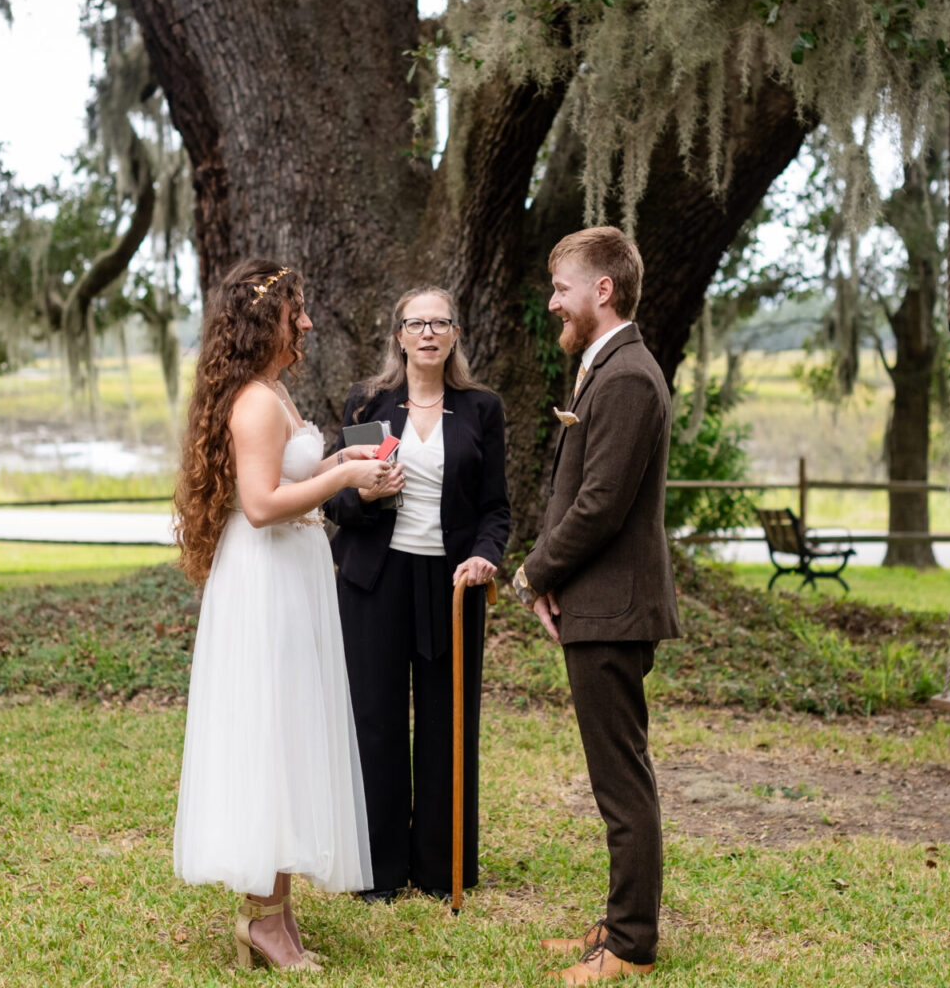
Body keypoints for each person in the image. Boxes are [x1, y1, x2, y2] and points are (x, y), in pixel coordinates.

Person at [171, 259, 393, 972]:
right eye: (295, 310)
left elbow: (290, 477)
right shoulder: (258, 402)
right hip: (266, 580)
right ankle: (262, 923)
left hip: (292, 577)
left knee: (290, 733)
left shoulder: (273, 392)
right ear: (264, 320)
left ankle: (277, 915)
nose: (306, 321)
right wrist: (345, 475)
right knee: (271, 734)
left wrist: (350, 458)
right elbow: (263, 504)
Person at [512, 228, 681, 985]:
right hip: (593, 602)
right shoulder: (605, 368)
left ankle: (631, 947)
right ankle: (618, 923)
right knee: (616, 774)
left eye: (561, 287)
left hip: (614, 609)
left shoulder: (627, 378)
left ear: (602, 290)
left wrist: (531, 573)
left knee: (621, 781)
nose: (553, 302)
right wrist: (555, 583)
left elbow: (601, 505)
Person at [324, 286, 510, 903]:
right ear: (399, 335)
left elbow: (495, 509)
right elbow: (333, 498)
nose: (428, 332)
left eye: (439, 322)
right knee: (375, 721)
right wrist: (365, 493)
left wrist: (486, 554)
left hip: (452, 581)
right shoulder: (368, 401)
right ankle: (377, 872)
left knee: (446, 724)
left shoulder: (482, 408)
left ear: (455, 333)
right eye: (416, 323)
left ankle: (441, 868)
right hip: (374, 581)